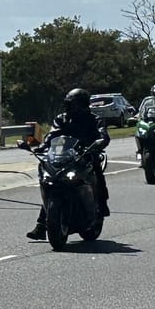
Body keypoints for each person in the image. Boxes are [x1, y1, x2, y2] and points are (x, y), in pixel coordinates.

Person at [27, 87, 109, 240]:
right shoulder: (62, 118)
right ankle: (41, 225)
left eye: (72, 104)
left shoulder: (94, 119)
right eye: (67, 104)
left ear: (82, 105)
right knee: (54, 184)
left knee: (96, 175)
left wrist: (100, 142)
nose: (68, 107)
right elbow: (52, 134)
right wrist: (43, 147)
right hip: (66, 156)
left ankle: (100, 208)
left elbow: (103, 135)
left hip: (86, 156)